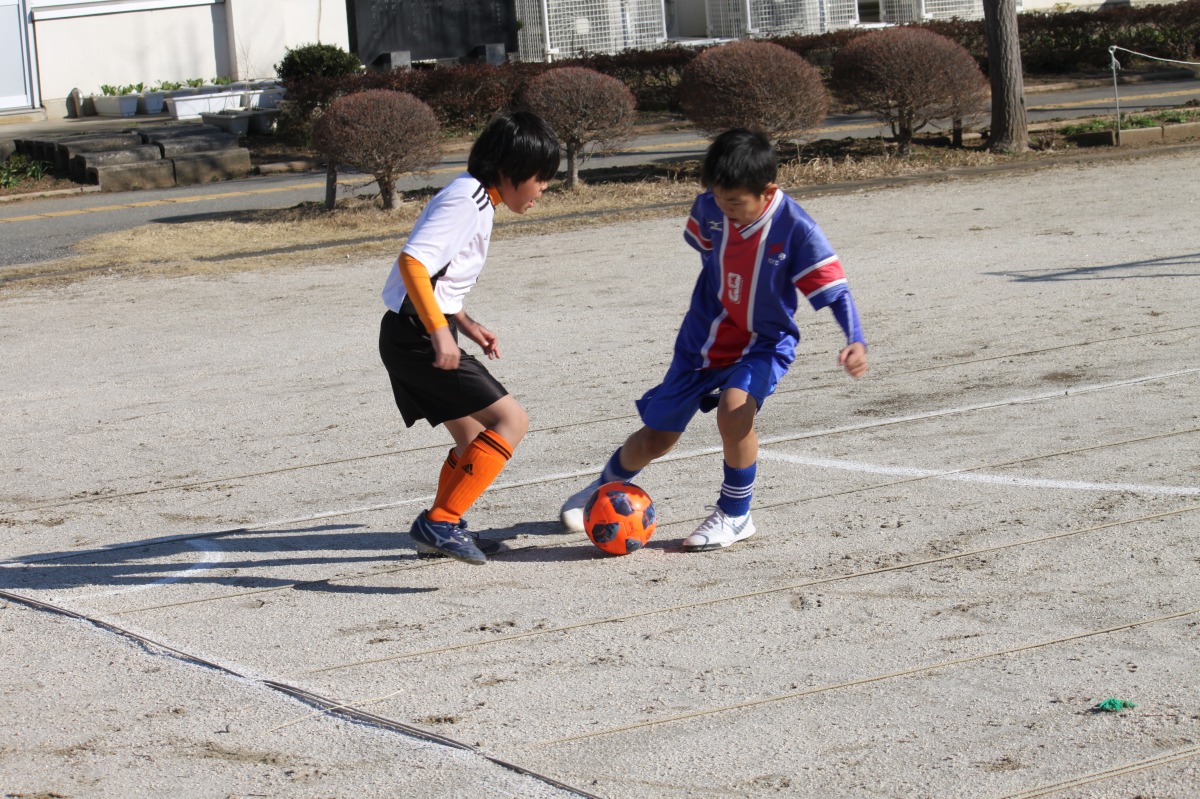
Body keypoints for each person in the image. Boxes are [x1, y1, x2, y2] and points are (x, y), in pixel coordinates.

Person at [560, 128, 868, 551]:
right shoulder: (709, 207)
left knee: (735, 408)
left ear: (767, 191)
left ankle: (735, 514)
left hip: (763, 342)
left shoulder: (797, 229)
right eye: (719, 198)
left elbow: (834, 289)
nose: (725, 209)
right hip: (702, 341)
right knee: (656, 438)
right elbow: (711, 253)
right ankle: (601, 490)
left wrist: (854, 338)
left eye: (736, 202)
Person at [379, 111, 560, 565]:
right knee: (511, 420)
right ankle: (440, 522)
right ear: (511, 170)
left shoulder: (475, 197)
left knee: (473, 435)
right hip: (417, 337)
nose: (543, 189)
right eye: (540, 177)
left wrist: (464, 321)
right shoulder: (467, 201)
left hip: (411, 333)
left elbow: (439, 275)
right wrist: (441, 333)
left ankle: (441, 528)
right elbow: (413, 263)